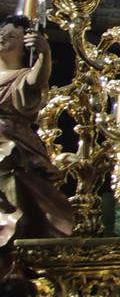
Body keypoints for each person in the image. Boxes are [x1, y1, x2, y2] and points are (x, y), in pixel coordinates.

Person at [0, 15, 74, 243]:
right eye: (1, 34)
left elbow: (36, 81)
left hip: (9, 140)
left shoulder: (21, 77)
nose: (3, 38)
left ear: (24, 47)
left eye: (12, 36)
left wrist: (44, 54)